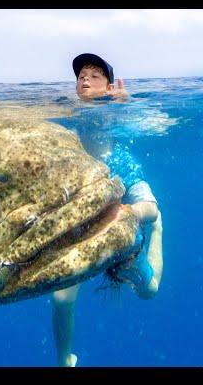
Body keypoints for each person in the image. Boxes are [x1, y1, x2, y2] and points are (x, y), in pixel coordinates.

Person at [51, 53, 164, 368]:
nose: (85, 79)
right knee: (61, 297)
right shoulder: (67, 110)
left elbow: (159, 122)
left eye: (95, 75)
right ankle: (64, 358)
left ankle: (157, 229)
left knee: (148, 290)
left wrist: (127, 105)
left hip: (119, 174)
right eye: (81, 75)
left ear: (110, 85)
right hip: (85, 189)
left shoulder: (118, 107)